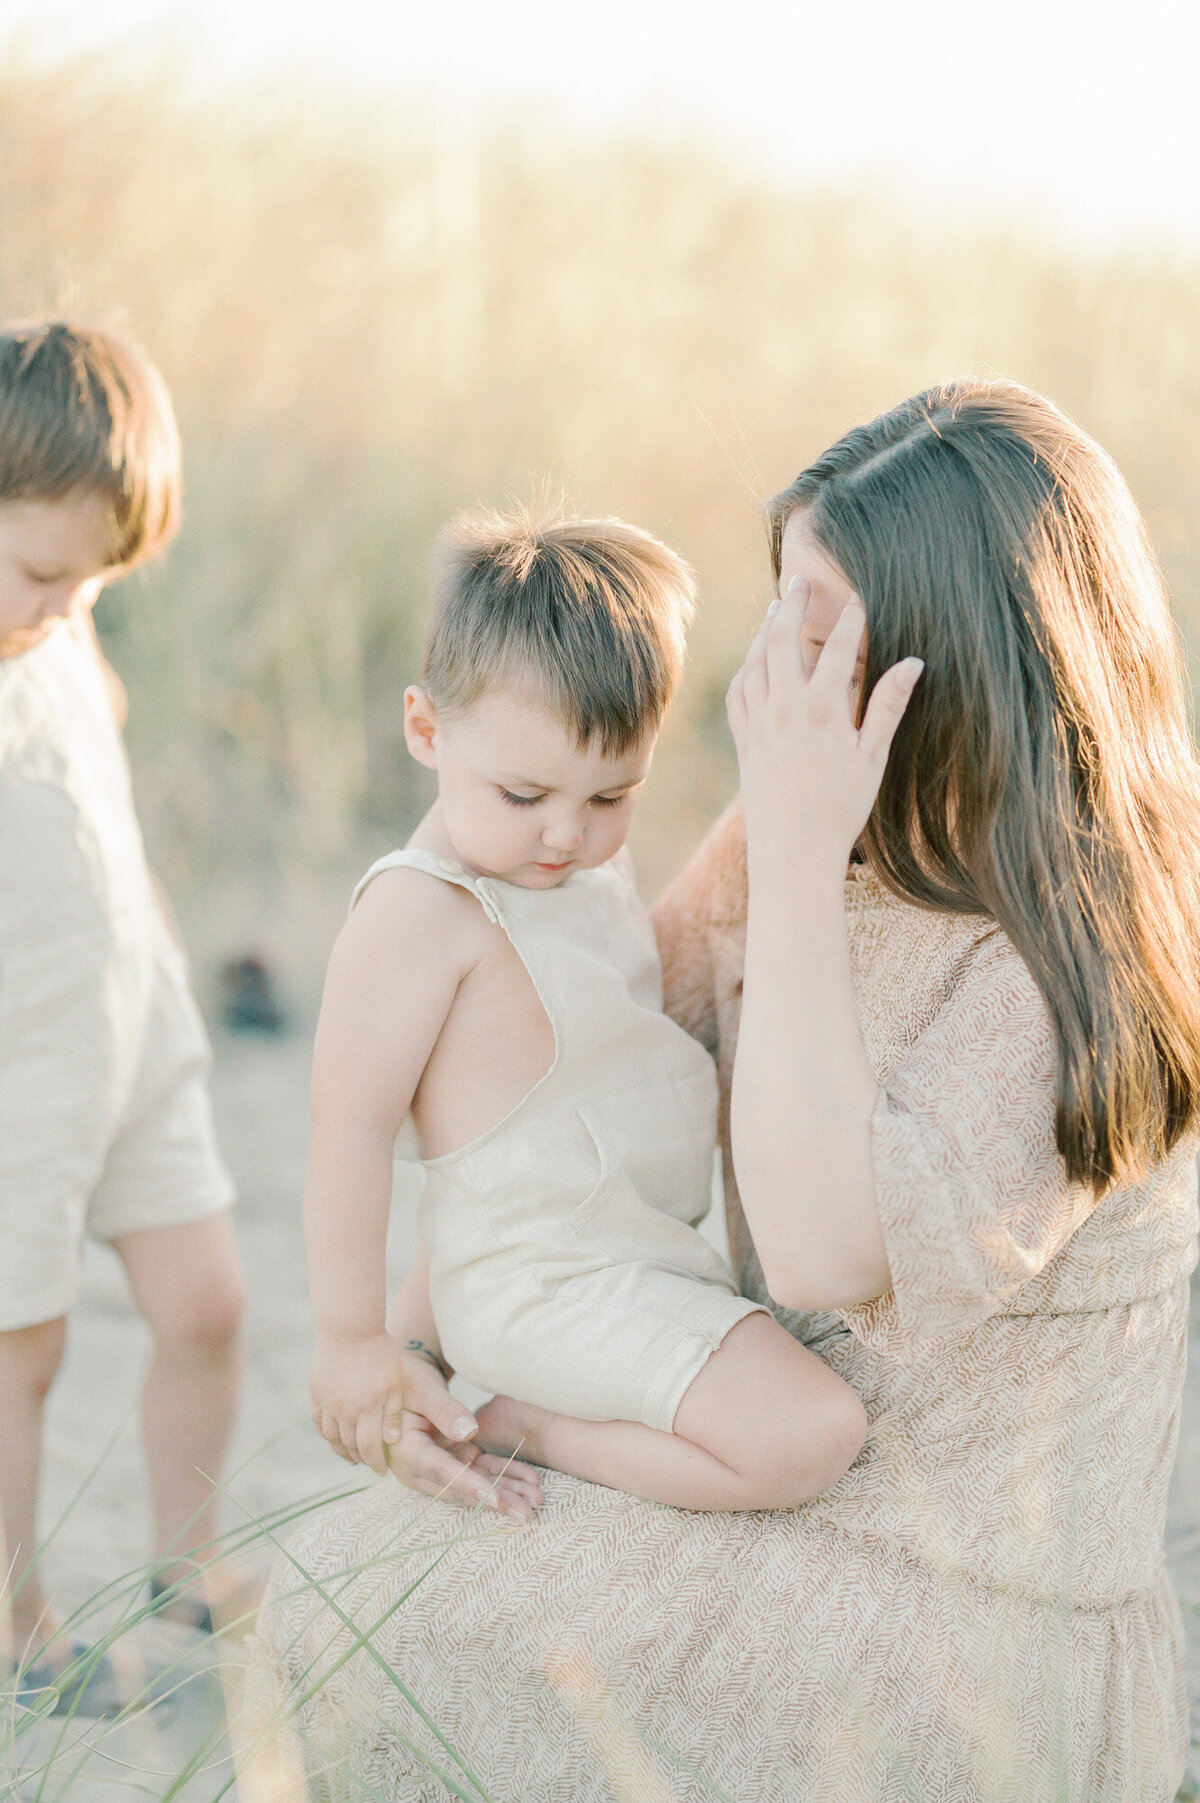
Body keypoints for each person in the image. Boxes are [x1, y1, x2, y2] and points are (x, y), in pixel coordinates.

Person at [262, 380, 1200, 1803]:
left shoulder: (1083, 938)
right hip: (770, 1472)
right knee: (345, 1581)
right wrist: (414, 1337)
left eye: (814, 630)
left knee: (366, 1612)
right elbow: (613, 1044)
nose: (767, 667)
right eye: (776, 606)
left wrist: (800, 831)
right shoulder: (823, 821)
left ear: (951, 663)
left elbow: (825, 1244)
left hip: (952, 1591)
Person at [305, 507, 867, 1513]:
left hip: (630, 1253)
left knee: (810, 1415)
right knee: (812, 1436)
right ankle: (531, 1424)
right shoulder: (419, 914)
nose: (566, 833)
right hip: (546, 1291)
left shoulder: (570, 876)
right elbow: (347, 1131)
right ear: (426, 729)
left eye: (613, 798)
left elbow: (515, 1147)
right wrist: (358, 1345)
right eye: (523, 795)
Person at [0, 320, 246, 1713]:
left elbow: (91, 722)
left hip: (129, 1006)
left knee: (209, 1299)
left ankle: (189, 1560)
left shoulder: (57, 618)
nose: (60, 601)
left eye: (92, 579)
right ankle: (14, 1618)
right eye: (41, 569)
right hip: (16, 1046)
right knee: (20, 1347)